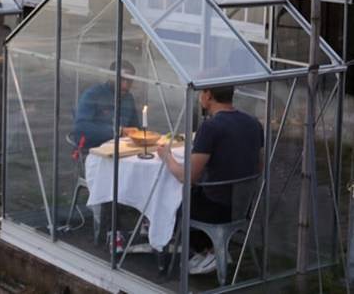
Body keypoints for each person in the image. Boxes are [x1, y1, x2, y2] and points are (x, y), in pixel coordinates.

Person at [157, 85, 263, 275]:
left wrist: (167, 156)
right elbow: (259, 166)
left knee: (169, 201)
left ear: (208, 95)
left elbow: (187, 176)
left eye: (201, 93)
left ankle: (208, 251)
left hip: (216, 208)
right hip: (242, 206)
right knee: (195, 193)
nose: (199, 97)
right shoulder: (253, 123)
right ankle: (209, 249)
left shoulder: (211, 127)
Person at [74, 62, 139, 149]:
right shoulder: (93, 95)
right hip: (94, 148)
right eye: (121, 79)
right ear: (111, 77)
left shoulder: (128, 98)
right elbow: (81, 127)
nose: (125, 85)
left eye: (129, 81)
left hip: (122, 148)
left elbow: (135, 127)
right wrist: (117, 131)